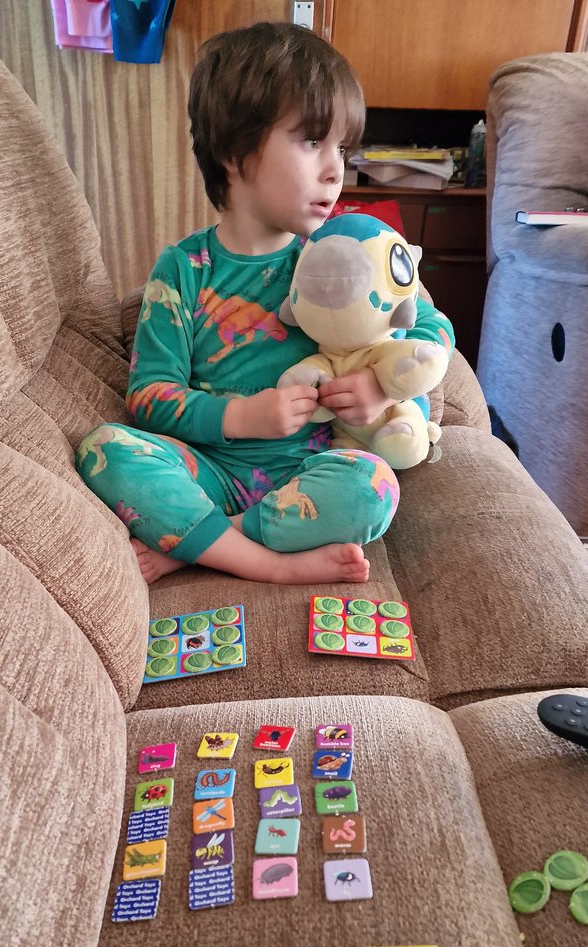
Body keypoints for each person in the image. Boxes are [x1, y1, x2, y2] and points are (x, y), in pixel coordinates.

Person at [76, 21, 454, 585]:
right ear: (234, 152)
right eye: (311, 141)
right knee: (103, 449)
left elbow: (428, 326)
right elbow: (149, 397)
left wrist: (383, 390)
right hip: (210, 469)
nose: (336, 168)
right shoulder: (181, 271)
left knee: (372, 488)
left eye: (341, 148)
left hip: (314, 473)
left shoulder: (341, 255)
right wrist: (243, 416)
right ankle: (267, 564)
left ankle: (206, 543)